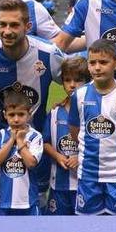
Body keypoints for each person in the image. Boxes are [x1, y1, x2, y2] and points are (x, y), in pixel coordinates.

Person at [0, 0, 64, 212]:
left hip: (36, 141)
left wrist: (68, 100)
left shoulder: (48, 54)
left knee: (36, 203)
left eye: (14, 25)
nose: (7, 31)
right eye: (2, 24)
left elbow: (76, 82)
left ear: (28, 26)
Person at [68, 39, 116, 215]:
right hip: (88, 172)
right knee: (87, 223)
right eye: (92, 63)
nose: (97, 67)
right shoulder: (79, 96)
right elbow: (74, 130)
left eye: (103, 62)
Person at [43, 57, 90, 216]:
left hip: (85, 184)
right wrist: (57, 156)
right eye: (67, 80)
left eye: (78, 80)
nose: (72, 85)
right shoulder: (55, 112)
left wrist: (80, 157)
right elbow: (46, 142)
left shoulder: (93, 112)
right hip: (59, 185)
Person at [0, 92, 45, 215]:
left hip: (28, 203)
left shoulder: (35, 136)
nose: (16, 119)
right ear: (5, 115)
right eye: (12, 115)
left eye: (21, 114)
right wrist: (11, 140)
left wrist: (20, 141)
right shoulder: (2, 134)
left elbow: (31, 163)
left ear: (29, 114)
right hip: (3, 203)